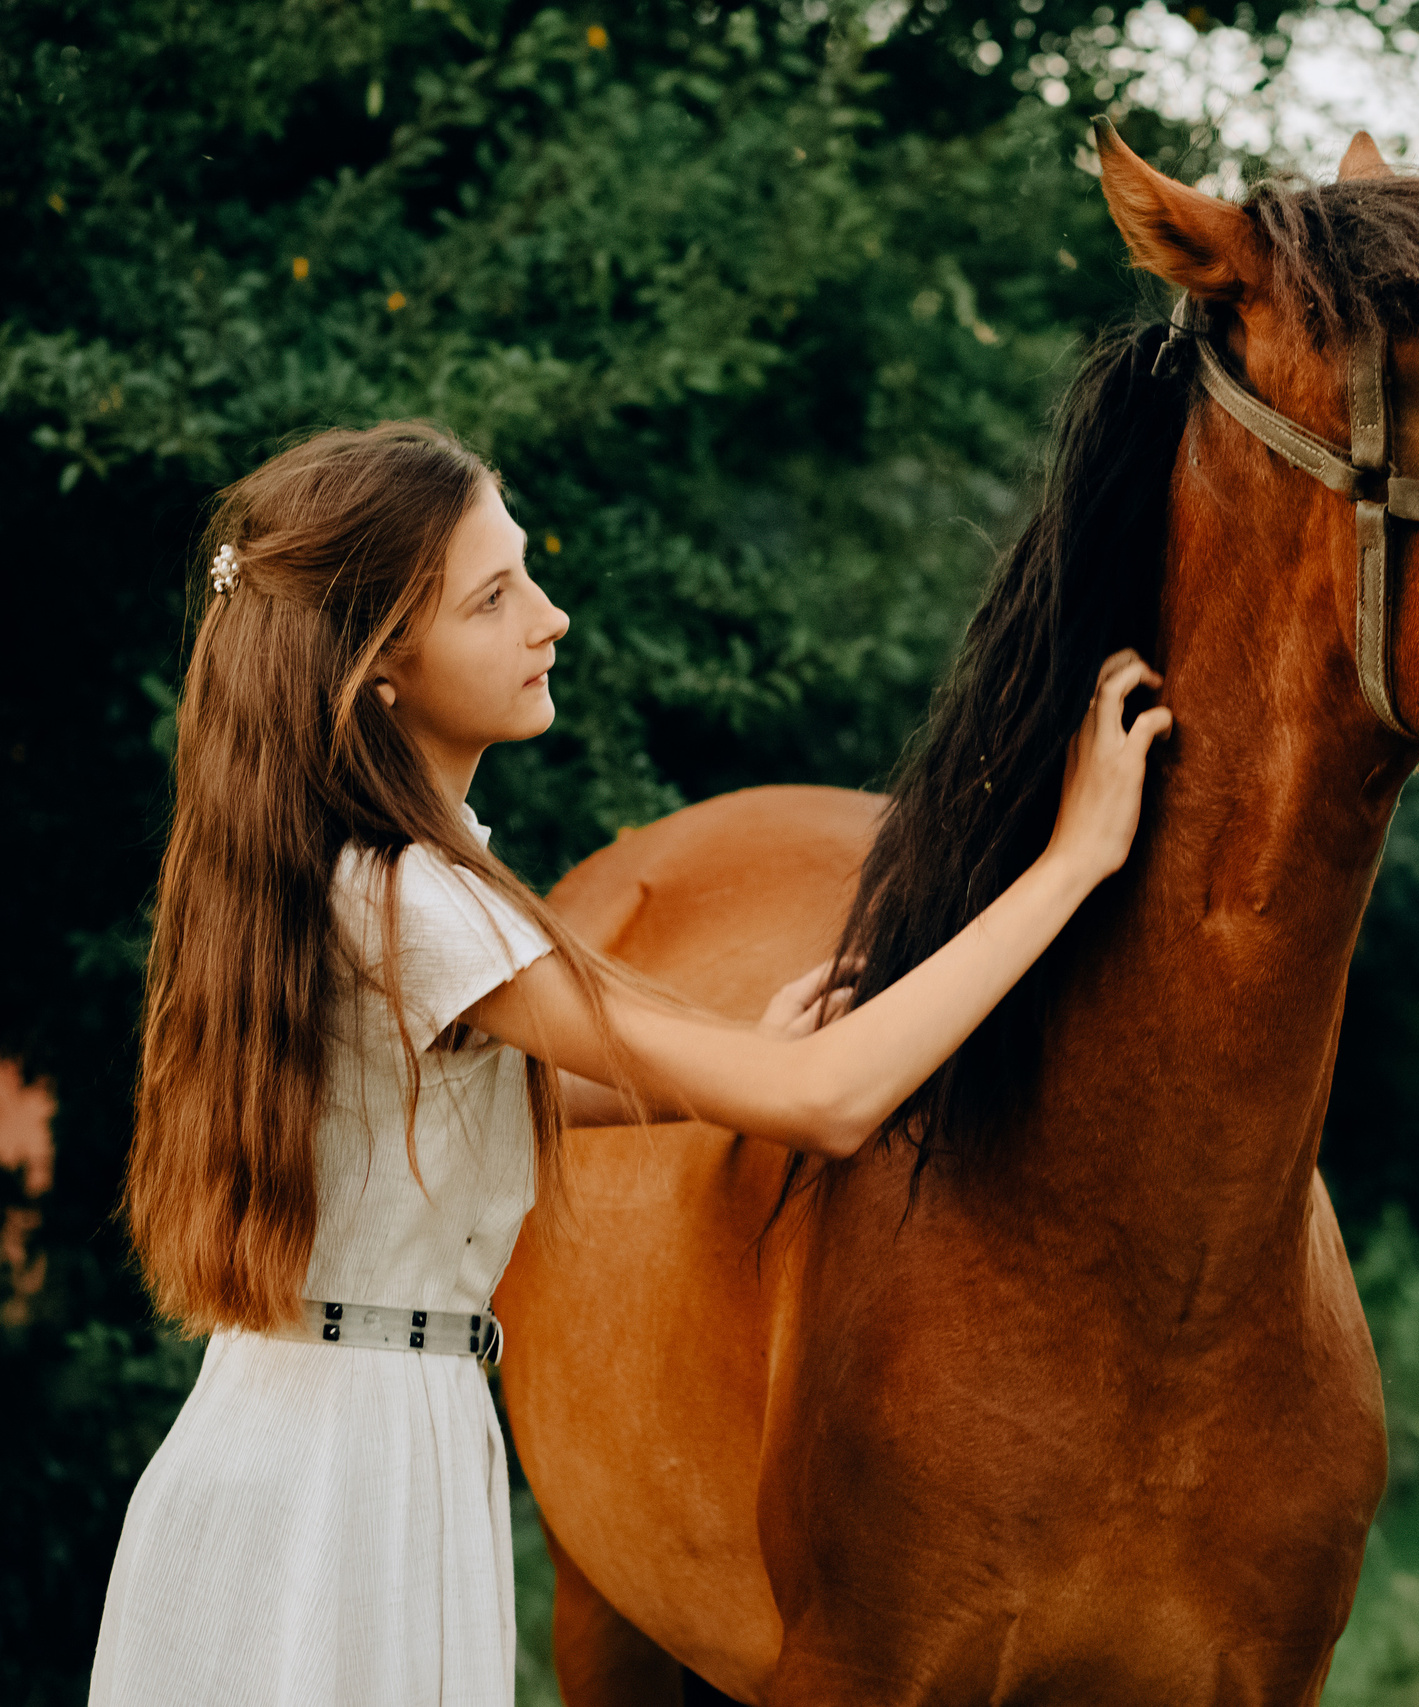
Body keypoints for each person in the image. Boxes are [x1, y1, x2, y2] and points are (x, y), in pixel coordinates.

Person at [92, 421, 1172, 1704]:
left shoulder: (344, 875)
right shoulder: (417, 900)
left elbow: (437, 1109)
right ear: (382, 663)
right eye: (495, 598)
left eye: (526, 573)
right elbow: (830, 1108)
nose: (550, 619)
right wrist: (1073, 860)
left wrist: (734, 1058)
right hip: (355, 1466)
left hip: (310, 1433)